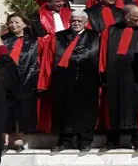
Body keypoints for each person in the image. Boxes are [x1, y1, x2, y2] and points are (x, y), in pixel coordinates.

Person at [38, 10, 101, 152]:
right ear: (69, 21)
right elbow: (48, 59)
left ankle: (84, 140)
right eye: (74, 21)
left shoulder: (96, 37)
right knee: (63, 109)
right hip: (63, 79)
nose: (76, 23)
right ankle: (64, 141)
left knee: (86, 110)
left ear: (86, 22)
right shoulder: (58, 37)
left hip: (88, 79)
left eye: (79, 21)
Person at [99, 5, 138, 151]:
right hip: (115, 75)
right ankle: (112, 140)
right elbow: (103, 53)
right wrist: (103, 74)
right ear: (127, 18)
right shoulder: (110, 31)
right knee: (113, 108)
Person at [0, 14, 45, 149]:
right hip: (6, 79)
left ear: (25, 23)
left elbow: (43, 59)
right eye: (11, 22)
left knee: (24, 109)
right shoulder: (2, 40)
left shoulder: (36, 40)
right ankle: (5, 139)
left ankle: (20, 138)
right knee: (5, 108)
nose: (14, 25)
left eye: (17, 22)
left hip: (28, 77)